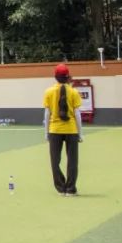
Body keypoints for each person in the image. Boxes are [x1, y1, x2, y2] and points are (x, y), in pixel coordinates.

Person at [44, 63, 83, 195]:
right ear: (68, 77)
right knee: (72, 160)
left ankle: (61, 188)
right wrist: (80, 133)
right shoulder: (74, 92)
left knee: (55, 161)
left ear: (55, 76)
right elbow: (77, 114)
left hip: (54, 130)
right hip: (71, 130)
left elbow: (47, 114)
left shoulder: (48, 92)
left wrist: (46, 132)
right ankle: (71, 189)